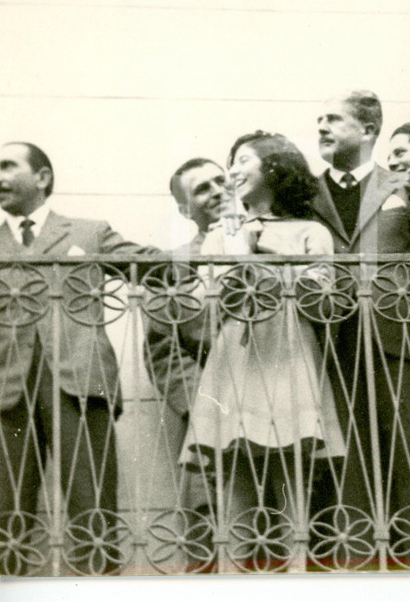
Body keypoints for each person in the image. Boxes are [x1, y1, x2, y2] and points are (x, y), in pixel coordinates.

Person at [179, 132, 345, 562]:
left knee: (292, 479)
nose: (232, 170)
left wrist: (253, 256)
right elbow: (207, 306)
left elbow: (323, 302)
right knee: (234, 478)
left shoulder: (311, 231)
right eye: (230, 160)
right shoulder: (221, 235)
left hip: (289, 352)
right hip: (237, 358)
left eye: (243, 160)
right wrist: (234, 250)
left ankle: (295, 577)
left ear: (274, 166)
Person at [0, 141, 157, 574]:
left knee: (92, 511)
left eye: (8, 166)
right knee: (4, 513)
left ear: (43, 178)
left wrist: (218, 244)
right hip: (5, 391)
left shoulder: (88, 232)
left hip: (81, 381)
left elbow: (148, 264)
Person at [311, 91, 410, 521]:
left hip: (401, 337)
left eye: (333, 118)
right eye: (318, 118)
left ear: (369, 130)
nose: (321, 126)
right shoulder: (304, 193)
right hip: (331, 341)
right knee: (347, 462)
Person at [143, 157, 225, 565]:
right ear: (184, 210)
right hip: (210, 412)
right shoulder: (174, 265)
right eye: (202, 189)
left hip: (277, 402)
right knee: (207, 516)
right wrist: (203, 404)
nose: (217, 192)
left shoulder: (274, 243)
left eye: (220, 181)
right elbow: (163, 350)